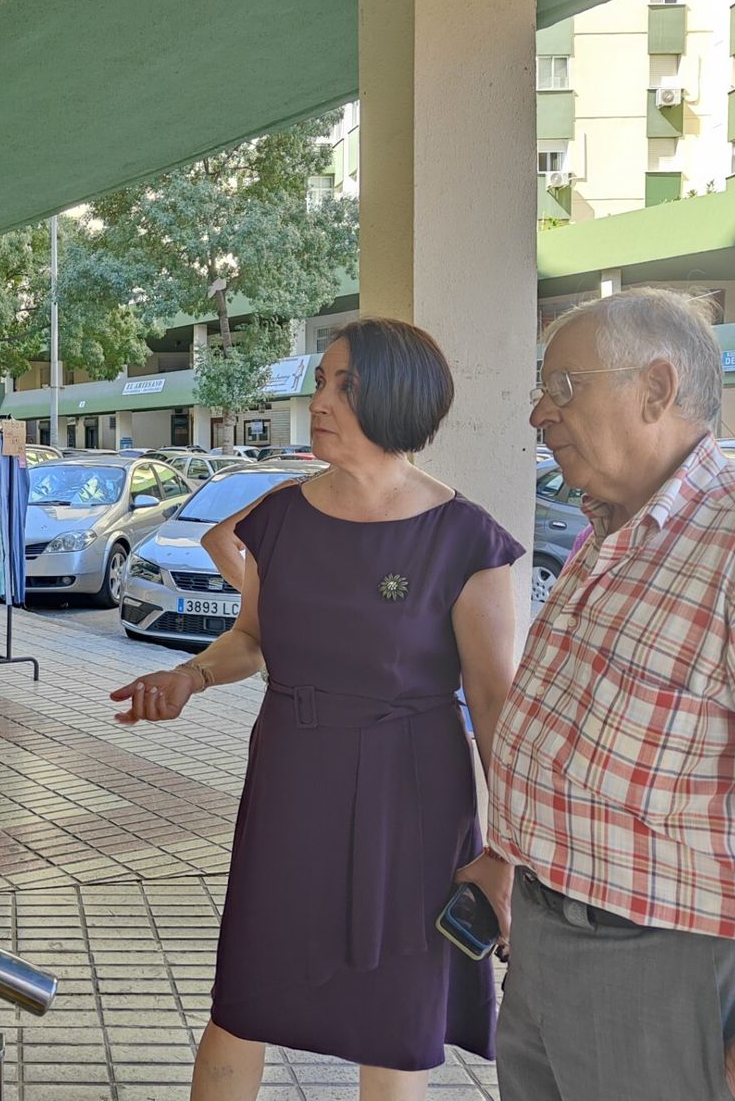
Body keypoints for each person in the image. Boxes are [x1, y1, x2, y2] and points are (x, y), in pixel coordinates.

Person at [111, 318, 522, 1101]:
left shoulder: (465, 538)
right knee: (244, 1001)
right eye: (321, 381)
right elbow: (251, 638)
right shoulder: (281, 518)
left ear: (399, 400)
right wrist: (191, 677)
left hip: (415, 799)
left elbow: (495, 704)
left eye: (345, 385)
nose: (320, 400)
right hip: (292, 782)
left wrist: (507, 850)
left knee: (395, 1026)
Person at [490, 288, 735, 1101]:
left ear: (657, 390)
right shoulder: (614, 530)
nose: (538, 419)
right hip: (548, 936)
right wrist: (506, 861)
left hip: (668, 967)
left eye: (562, 389)